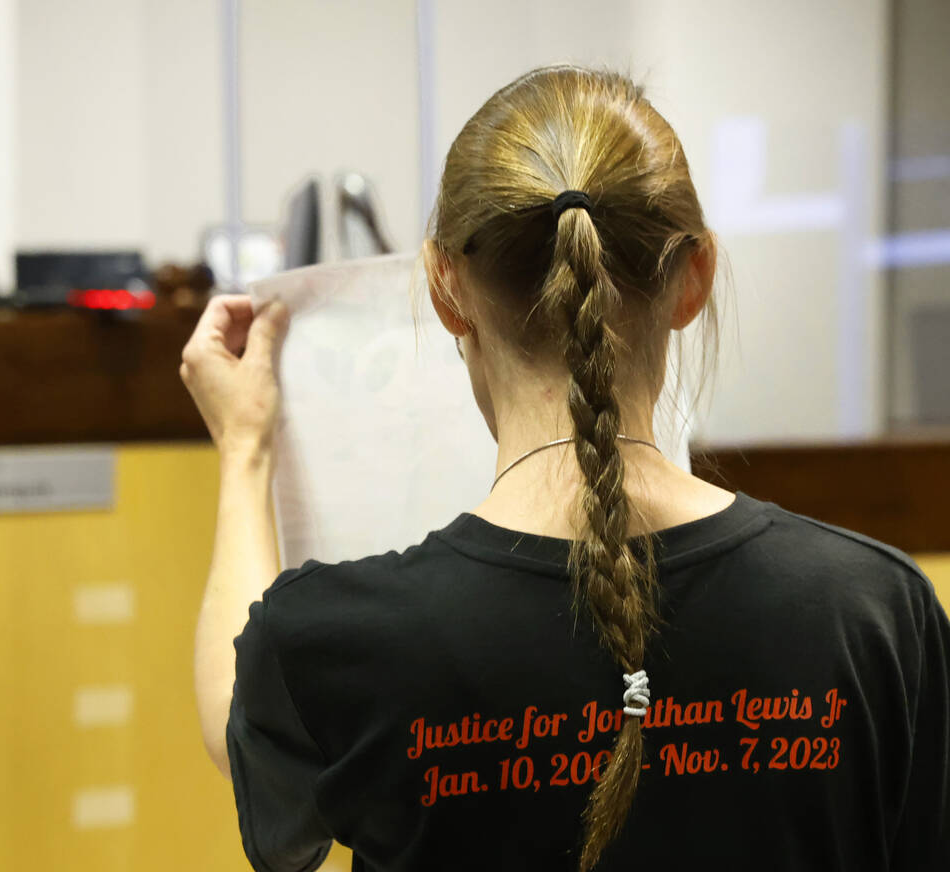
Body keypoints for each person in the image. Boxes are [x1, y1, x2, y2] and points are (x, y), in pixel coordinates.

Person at [182, 67, 950, 871]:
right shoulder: (875, 614)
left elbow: (236, 726)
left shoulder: (334, 641)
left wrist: (246, 451)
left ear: (446, 288)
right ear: (694, 277)